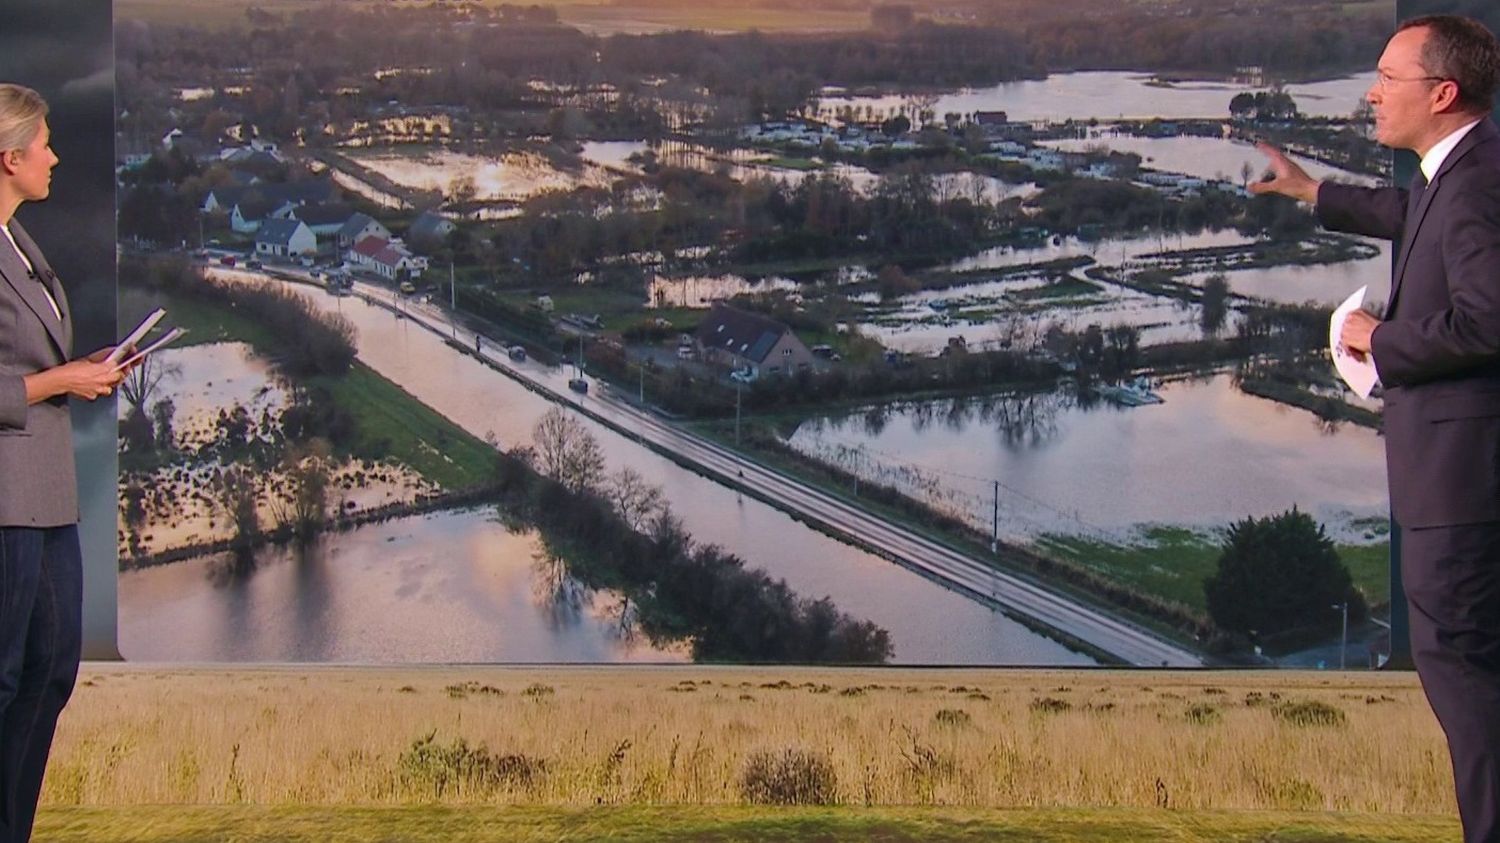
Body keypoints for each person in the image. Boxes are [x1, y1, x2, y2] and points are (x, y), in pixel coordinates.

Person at [1253, 16, 1500, 842]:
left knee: (1463, 676)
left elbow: (1489, 322)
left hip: (1460, 489)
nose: (1371, 92)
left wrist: (1376, 340)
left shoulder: (1475, 182)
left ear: (1442, 91)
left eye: (1388, 78)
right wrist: (1309, 190)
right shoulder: (1457, 171)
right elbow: (1411, 215)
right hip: (1458, 481)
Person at [0, 83, 126, 843]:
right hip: (7, 499)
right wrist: (62, 381)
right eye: (42, 145)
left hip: (49, 497)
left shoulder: (20, 242)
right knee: (6, 676)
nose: (55, 156)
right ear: (9, 157)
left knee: (49, 674)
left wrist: (84, 367)